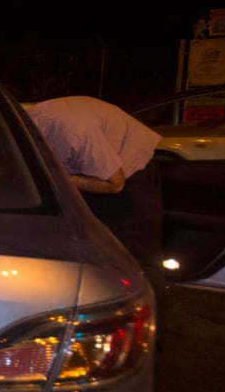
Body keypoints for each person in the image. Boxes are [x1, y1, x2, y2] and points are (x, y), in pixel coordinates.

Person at [26, 96, 165, 303]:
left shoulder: (68, 131)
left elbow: (114, 183)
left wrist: (55, 178)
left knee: (136, 257)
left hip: (128, 173)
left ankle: (149, 319)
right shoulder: (30, 122)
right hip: (90, 168)